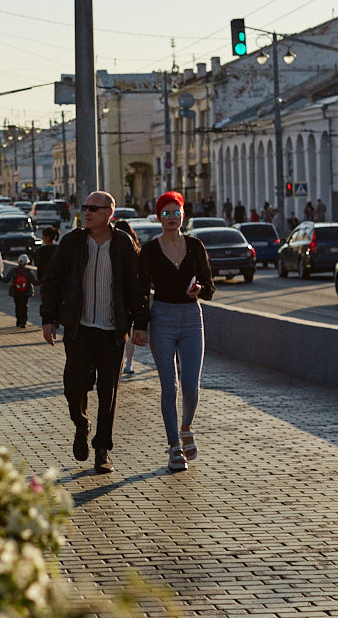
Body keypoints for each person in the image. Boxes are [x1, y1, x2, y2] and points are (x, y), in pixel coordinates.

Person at [40, 191, 148, 474]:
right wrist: (48, 319)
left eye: (93, 208)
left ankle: (102, 450)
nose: (86, 213)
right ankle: (81, 423)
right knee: (73, 386)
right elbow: (52, 280)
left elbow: (136, 289)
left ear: (109, 213)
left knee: (107, 392)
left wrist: (141, 324)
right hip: (79, 329)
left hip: (113, 332)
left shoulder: (123, 244)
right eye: (85, 208)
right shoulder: (73, 242)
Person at [138, 190, 214, 472]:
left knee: (191, 386)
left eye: (176, 212)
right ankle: (173, 447)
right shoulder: (149, 250)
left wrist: (199, 291)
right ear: (159, 217)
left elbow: (210, 287)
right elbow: (142, 292)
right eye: (165, 213)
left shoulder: (195, 246)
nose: (171, 218)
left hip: (192, 318)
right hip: (162, 319)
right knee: (169, 386)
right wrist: (141, 327)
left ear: (184, 215)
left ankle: (186, 428)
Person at [113, 220, 146, 375]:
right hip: (131, 299)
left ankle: (118, 364)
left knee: (118, 334)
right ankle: (129, 363)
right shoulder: (136, 249)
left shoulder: (113, 248)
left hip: (117, 298)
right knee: (130, 332)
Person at [2, 254, 36, 328]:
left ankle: (18, 321)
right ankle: (23, 322)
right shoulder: (28, 271)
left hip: (15, 292)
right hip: (26, 292)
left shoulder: (13, 270)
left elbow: (6, 279)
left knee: (17, 306)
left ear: (18, 262)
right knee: (24, 306)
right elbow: (34, 282)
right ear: (26, 263)